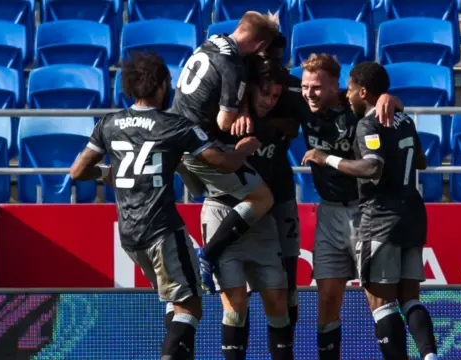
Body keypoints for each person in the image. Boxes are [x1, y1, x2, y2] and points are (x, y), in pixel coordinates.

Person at [69, 52, 262, 360]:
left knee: (176, 302)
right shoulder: (175, 126)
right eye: (168, 83)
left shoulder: (108, 123)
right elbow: (224, 165)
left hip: (130, 235)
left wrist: (108, 173)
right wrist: (243, 149)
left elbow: (77, 172)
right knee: (190, 305)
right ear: (160, 85)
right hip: (163, 231)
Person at [303, 61, 438, 360]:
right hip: (412, 215)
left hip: (378, 217)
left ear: (360, 91)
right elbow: (421, 162)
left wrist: (327, 159)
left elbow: (372, 167)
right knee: (409, 300)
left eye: (349, 90)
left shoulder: (367, 122)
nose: (346, 96)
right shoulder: (403, 120)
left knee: (382, 304)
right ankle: (431, 356)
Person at [295, 54, 404, 360]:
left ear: (336, 87)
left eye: (316, 87)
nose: (308, 93)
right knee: (327, 299)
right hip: (327, 212)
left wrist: (391, 99)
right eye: (305, 87)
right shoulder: (300, 103)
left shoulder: (355, 108)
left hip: (365, 211)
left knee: (377, 299)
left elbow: (393, 113)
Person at [170, 11, 282, 292]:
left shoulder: (213, 41)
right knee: (262, 197)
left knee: (225, 191)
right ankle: (206, 256)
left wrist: (241, 104)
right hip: (199, 146)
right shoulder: (233, 66)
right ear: (260, 46)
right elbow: (224, 122)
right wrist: (243, 125)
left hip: (176, 136)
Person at [201, 55, 294, 360]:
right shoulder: (223, 116)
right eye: (264, 93)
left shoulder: (277, 118)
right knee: (235, 304)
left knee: (277, 301)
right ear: (250, 88)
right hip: (222, 213)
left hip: (262, 220)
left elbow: (296, 117)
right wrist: (238, 112)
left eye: (276, 95)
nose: (269, 100)